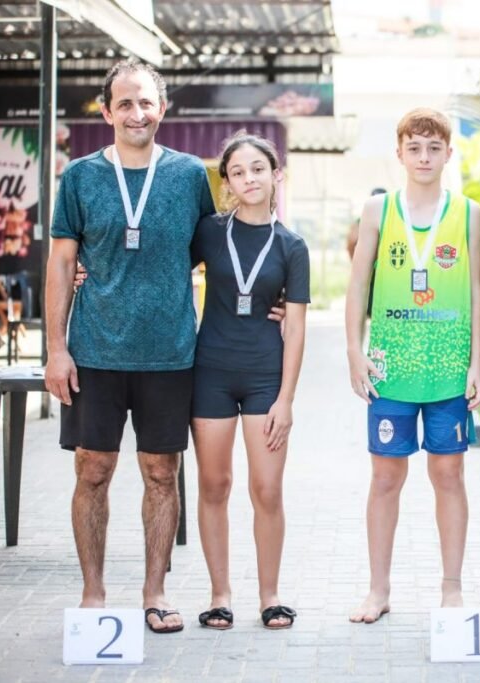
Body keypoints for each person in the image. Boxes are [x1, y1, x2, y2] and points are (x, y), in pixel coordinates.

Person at [45, 59, 215, 634]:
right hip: (94, 351)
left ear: (162, 108)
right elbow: (63, 261)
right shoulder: (82, 176)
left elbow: (209, 251)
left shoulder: (191, 175)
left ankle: (156, 591)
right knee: (92, 470)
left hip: (169, 352)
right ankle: (93, 593)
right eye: (124, 103)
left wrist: (272, 297)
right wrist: (55, 348)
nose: (136, 113)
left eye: (146, 102)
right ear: (106, 111)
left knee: (161, 473)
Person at [345, 108, 480, 623]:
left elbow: (475, 290)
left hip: (448, 370)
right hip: (390, 369)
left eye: (433, 148)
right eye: (414, 148)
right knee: (385, 479)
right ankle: (378, 590)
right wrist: (354, 350)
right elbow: (358, 284)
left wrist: (475, 364)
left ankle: (451, 589)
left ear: (449, 153)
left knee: (449, 475)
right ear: (399, 153)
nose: (424, 157)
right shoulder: (379, 211)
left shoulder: (468, 212)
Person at [191, 131, 309, 630]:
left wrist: (286, 399)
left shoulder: (292, 245)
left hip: (265, 376)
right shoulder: (209, 232)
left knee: (267, 489)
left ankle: (270, 595)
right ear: (228, 182)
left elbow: (297, 325)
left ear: (276, 174)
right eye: (237, 172)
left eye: (258, 169)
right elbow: (158, 268)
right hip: (211, 373)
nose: (249, 178)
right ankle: (220, 594)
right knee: (214, 485)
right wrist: (89, 271)